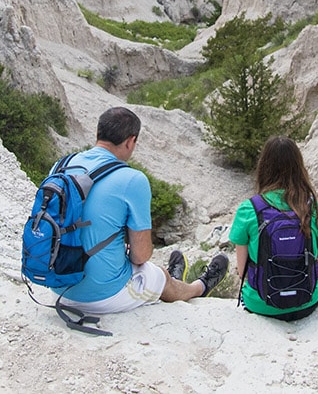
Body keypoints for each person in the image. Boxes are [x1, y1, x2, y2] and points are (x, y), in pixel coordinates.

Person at [55, 106, 229, 315]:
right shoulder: (133, 179)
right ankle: (199, 287)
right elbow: (140, 256)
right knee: (158, 275)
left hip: (57, 286)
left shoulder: (62, 165)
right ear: (130, 141)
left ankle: (173, 277)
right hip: (101, 296)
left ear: (97, 134)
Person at [228, 135, 318, 321]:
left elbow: (242, 271)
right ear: (299, 167)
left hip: (261, 305)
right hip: (307, 302)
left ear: (263, 167)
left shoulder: (249, 209)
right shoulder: (312, 207)